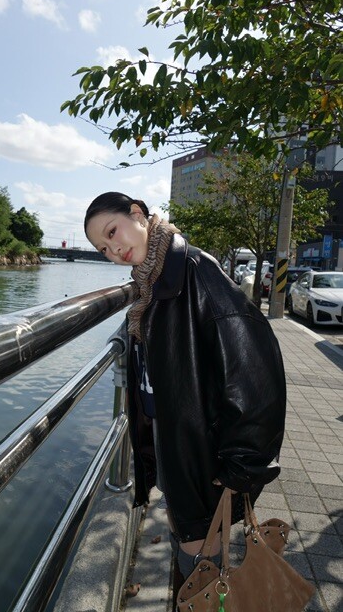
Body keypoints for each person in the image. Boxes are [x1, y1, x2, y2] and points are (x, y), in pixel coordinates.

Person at [84, 192, 286, 602]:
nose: (113, 250)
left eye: (112, 232)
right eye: (103, 249)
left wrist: (244, 465)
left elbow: (256, 372)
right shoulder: (153, 282)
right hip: (179, 450)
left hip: (203, 458)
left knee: (200, 564)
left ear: (137, 214)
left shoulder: (193, 271)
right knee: (192, 553)